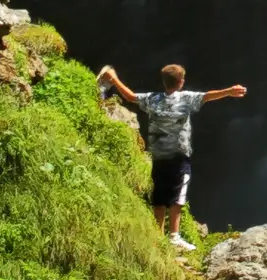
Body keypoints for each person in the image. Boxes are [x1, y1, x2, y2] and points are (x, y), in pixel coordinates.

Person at [96, 63, 247, 252]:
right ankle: (174, 236)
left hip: (159, 156)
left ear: (164, 81)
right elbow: (208, 96)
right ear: (181, 82)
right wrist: (229, 91)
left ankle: (158, 236)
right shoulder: (185, 98)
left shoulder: (153, 99)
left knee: (159, 195)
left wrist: (114, 78)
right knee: (177, 196)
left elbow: (130, 97)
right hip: (178, 156)